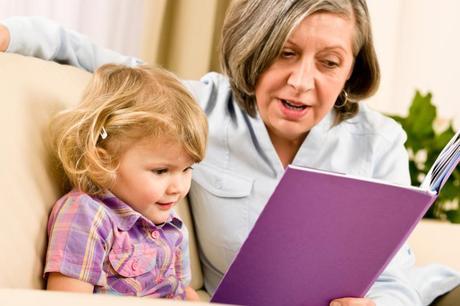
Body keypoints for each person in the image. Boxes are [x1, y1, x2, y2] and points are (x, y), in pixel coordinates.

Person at [1, 0, 459, 305]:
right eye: (285, 53)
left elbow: (395, 276)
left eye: (329, 62)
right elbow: (91, 55)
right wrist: (9, 34)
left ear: (352, 69)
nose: (301, 82)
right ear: (254, 49)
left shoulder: (381, 143)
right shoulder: (202, 109)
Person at [43, 63, 207, 301]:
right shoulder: (88, 216)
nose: (178, 188)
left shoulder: (172, 223)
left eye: (187, 169)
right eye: (161, 171)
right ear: (104, 160)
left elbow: (181, 291)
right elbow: (65, 301)